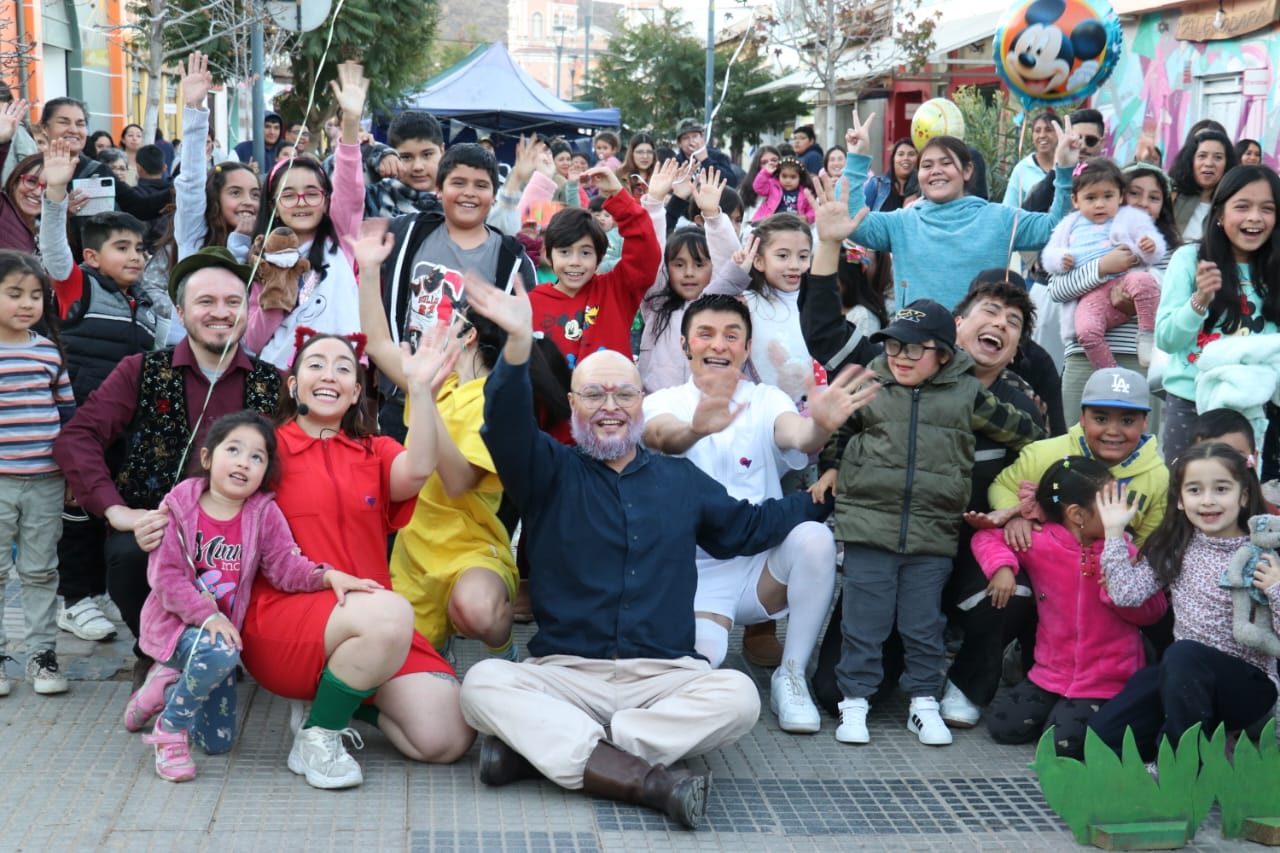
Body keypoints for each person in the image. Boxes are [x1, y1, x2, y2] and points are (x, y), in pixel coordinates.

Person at [456, 272, 831, 829]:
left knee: (738, 696)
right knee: (482, 685)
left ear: (643, 402)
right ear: (573, 404)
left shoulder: (680, 480)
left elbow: (748, 527)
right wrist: (516, 345)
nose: (610, 405)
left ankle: (552, 752)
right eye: (594, 394)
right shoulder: (547, 471)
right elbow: (506, 425)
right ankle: (650, 779)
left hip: (662, 676)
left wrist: (820, 500)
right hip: (565, 672)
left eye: (624, 393)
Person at [813, 299, 1045, 747]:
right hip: (868, 531)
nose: (900, 356)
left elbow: (1026, 433)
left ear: (942, 353)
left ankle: (923, 702)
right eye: (894, 346)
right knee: (864, 623)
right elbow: (840, 428)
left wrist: (1028, 489)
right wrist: (831, 464)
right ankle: (854, 702)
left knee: (923, 626)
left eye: (914, 349)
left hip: (932, 535)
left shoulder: (967, 392)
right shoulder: (872, 381)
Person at [644, 294, 877, 733]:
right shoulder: (665, 401)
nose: (719, 345)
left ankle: (791, 674)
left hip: (761, 572)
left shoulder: (767, 398)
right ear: (684, 344)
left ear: (747, 348)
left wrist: (822, 424)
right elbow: (661, 437)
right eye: (706, 334)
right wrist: (695, 429)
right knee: (700, 665)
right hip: (693, 577)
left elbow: (799, 435)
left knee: (815, 538)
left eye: (732, 336)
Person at [52, 248, 280, 691]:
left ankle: (230, 648)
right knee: (131, 552)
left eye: (233, 302)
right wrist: (116, 511)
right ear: (180, 311)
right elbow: (77, 437)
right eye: (205, 302)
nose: (220, 313)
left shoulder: (273, 383)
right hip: (159, 524)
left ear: (248, 309)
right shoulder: (142, 370)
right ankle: (156, 650)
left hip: (241, 531)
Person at [135, 411, 378, 782]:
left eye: (257, 457)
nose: (243, 463)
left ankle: (169, 681)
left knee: (218, 742)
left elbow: (283, 567)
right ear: (207, 458)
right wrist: (209, 615)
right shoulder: (179, 506)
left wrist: (327, 575)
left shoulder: (263, 513)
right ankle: (169, 730)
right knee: (220, 651)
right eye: (233, 450)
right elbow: (166, 578)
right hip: (176, 627)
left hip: (220, 636)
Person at [354, 223, 520, 664]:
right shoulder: (431, 386)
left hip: (471, 553)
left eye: (443, 324)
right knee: (387, 658)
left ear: (467, 337)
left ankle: (507, 657)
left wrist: (421, 391)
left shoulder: (496, 399)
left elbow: (460, 480)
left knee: (475, 611)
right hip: (412, 559)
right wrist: (370, 271)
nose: (428, 331)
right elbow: (377, 343)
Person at [41, 140, 165, 645]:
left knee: (112, 509)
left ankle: (109, 594)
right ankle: (76, 600)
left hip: (127, 432)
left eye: (139, 249)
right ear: (91, 256)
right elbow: (53, 250)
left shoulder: (149, 307)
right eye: (122, 248)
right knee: (79, 517)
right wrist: (54, 191)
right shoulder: (79, 288)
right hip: (80, 428)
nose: (134, 256)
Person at [1089, 442, 1279, 761]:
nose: (1207, 501)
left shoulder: (1261, 554)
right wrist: (1113, 532)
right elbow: (1127, 593)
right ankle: (1211, 748)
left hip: (1249, 690)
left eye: (1221, 489)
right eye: (1194, 490)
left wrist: (1275, 588)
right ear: (1179, 499)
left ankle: (1182, 763)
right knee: (1106, 734)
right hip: (1185, 685)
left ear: (1243, 495)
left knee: (1182, 654)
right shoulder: (1176, 546)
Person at [975, 458, 1167, 758]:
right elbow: (986, 537)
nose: (1124, 513)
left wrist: (1116, 593)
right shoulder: (1040, 541)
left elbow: (1155, 611)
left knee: (1061, 746)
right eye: (1111, 504)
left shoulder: (1125, 553)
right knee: (1003, 727)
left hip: (1107, 680)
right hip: (1049, 673)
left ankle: (1089, 714)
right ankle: (1061, 708)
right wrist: (1002, 568)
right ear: (1077, 514)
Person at [374, 142, 540, 441]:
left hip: (470, 407)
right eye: (458, 183)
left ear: (494, 193)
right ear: (439, 189)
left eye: (481, 185)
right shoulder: (408, 233)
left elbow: (526, 342)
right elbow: (344, 217)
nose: (469, 193)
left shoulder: (512, 261)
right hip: (403, 399)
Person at [841, 111, 1078, 310]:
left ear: (967, 171)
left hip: (980, 350)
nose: (936, 171)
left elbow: (1054, 228)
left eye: (946, 163)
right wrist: (857, 159)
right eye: (927, 165)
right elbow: (855, 224)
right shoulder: (901, 222)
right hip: (916, 350)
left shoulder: (1000, 218)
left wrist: (1065, 170)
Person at [234, 62, 371, 370]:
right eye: (288, 194)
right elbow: (254, 341)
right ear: (274, 204)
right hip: (282, 384)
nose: (301, 203)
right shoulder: (262, 260)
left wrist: (350, 123)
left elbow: (350, 187)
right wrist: (277, 292)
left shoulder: (341, 239)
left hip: (342, 378)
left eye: (312, 193)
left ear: (326, 201)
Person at [1154, 165, 1280, 461]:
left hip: (1253, 407)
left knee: (1244, 498)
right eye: (1242, 206)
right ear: (1220, 214)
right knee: (1186, 496)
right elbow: (1166, 339)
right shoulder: (1189, 259)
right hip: (1190, 403)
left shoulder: (1276, 270)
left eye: (1267, 208)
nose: (1254, 218)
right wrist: (1199, 301)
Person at [1049, 163, 1181, 420]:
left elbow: (1175, 307)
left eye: (1154, 197)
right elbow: (1058, 290)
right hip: (1083, 356)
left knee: (1138, 452)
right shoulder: (1080, 235)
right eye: (1135, 193)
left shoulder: (1169, 250)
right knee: (1078, 446)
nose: (1143, 203)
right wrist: (1102, 267)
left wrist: (1134, 304)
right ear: (1118, 194)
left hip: (1141, 360)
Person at [0, 252, 74, 696]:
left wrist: (73, 478)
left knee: (41, 570)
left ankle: (42, 655)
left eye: (35, 296)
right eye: (13, 294)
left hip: (46, 482)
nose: (26, 304)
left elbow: (68, 418)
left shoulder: (48, 352)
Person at [989, 367, 1168, 551]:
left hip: (1106, 575)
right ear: (1082, 418)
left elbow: (1148, 544)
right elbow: (1002, 486)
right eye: (1100, 419)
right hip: (1040, 561)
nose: (1113, 431)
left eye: (1127, 421)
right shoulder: (1044, 453)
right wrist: (1015, 515)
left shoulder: (1159, 478)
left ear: (1145, 422)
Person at [528, 165, 660, 368]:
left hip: (610, 397)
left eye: (586, 253)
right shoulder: (532, 303)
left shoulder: (616, 290)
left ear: (599, 259)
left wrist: (617, 195)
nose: (575, 261)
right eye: (564, 252)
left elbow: (645, 252)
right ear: (548, 254)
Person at [1040, 158, 1166, 369]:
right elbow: (1054, 279)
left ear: (1118, 196)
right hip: (1092, 303)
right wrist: (1096, 266)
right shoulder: (1069, 225)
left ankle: (1147, 337)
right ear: (1076, 200)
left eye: (1107, 196)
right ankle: (1108, 372)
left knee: (1142, 280)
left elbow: (1153, 245)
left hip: (1137, 352)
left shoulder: (1130, 218)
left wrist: (1149, 246)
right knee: (1086, 331)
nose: (1099, 204)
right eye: (1091, 197)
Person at [638, 170, 740, 392]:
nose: (689, 273)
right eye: (679, 264)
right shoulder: (657, 303)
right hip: (658, 407)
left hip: (708, 404)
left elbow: (732, 266)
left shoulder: (720, 304)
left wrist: (713, 215)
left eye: (699, 264)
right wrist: (654, 204)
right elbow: (648, 255)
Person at [706, 213, 819, 406]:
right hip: (757, 409)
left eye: (802, 256)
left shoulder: (817, 302)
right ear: (759, 261)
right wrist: (736, 273)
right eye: (782, 256)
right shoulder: (748, 302)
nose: (794, 265)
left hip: (811, 410)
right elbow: (704, 310)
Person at [171, 52, 261, 263]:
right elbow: (191, 183)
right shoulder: (193, 234)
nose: (248, 202)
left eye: (255, 195)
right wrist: (195, 108)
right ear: (214, 199)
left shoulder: (266, 245)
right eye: (235, 193)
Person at [38, 99, 169, 221]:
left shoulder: (98, 170)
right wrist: (59, 212)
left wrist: (177, 192)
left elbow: (139, 207)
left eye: (80, 124)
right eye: (63, 122)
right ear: (44, 127)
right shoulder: (32, 169)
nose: (73, 130)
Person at [364, 110, 444, 218]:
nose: (418, 167)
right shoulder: (379, 195)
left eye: (427, 155)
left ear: (442, 151)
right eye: (406, 157)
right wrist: (374, 151)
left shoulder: (459, 196)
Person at [1169, 130, 1236, 242]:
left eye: (1218, 157)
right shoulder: (1172, 195)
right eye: (1202, 156)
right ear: (1191, 160)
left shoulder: (1232, 203)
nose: (1209, 163)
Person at [0, 98, 44, 253]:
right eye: (31, 182)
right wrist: (2, 143)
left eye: (47, 188)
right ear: (15, 181)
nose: (38, 192)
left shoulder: (52, 231)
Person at [1002, 111, 1058, 207]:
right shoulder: (1022, 169)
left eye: (1048, 130)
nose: (1042, 135)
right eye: (1037, 131)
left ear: (1059, 134)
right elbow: (1008, 209)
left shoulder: (1068, 167)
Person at [751, 155, 815, 223]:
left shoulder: (806, 193)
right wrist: (766, 172)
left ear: (800, 178)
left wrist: (806, 217)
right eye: (784, 176)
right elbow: (758, 187)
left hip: (794, 226)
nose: (788, 180)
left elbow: (813, 210)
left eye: (793, 177)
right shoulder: (773, 186)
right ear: (779, 175)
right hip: (770, 223)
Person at [863, 138, 918, 212]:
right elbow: (859, 214)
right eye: (901, 154)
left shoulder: (923, 190)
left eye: (911, 154)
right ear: (893, 159)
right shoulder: (877, 184)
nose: (906, 158)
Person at [615, 132, 657, 202]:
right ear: (631, 153)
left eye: (649, 152)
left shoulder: (659, 177)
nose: (645, 156)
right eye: (640, 152)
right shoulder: (617, 175)